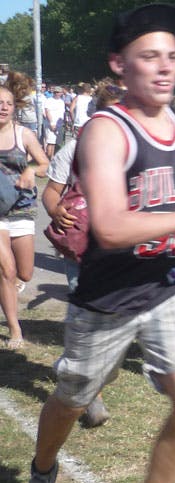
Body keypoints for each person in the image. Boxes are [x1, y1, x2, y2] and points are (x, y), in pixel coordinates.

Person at [25, 5, 175, 483]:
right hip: (108, 292)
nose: (165, 66)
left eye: (172, 56)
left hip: (171, 281)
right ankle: (42, 470)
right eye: (150, 56)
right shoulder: (106, 130)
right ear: (119, 65)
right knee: (73, 397)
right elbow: (110, 226)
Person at [42, 78, 123, 429]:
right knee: (85, 312)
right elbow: (51, 192)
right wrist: (56, 210)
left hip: (119, 247)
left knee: (115, 316)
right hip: (79, 247)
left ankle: (89, 372)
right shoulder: (72, 149)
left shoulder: (132, 151)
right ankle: (92, 396)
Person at [0, 84, 49, 348]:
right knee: (6, 271)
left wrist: (30, 169)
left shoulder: (24, 135)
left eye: (8, 102)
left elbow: (44, 163)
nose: (3, 106)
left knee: (25, 273)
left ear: (14, 107)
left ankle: (9, 287)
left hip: (21, 209)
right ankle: (14, 329)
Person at [42, 86, 65, 158]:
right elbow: (47, 111)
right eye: (55, 92)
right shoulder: (49, 100)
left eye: (58, 92)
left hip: (59, 124)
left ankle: (51, 158)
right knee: (50, 142)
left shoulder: (61, 101)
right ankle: (48, 159)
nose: (57, 93)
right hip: (51, 124)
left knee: (54, 143)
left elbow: (62, 113)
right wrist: (51, 123)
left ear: (61, 93)